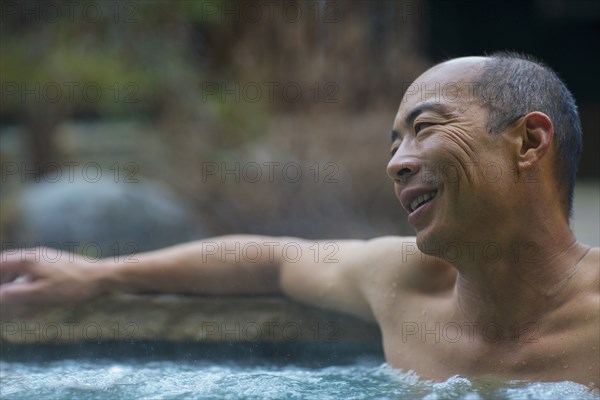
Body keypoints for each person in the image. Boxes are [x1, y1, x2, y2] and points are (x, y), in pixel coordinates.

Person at [1, 52, 598, 387]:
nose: (397, 163)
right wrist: (99, 277)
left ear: (528, 141)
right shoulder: (406, 283)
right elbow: (271, 257)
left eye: (426, 127)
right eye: (393, 143)